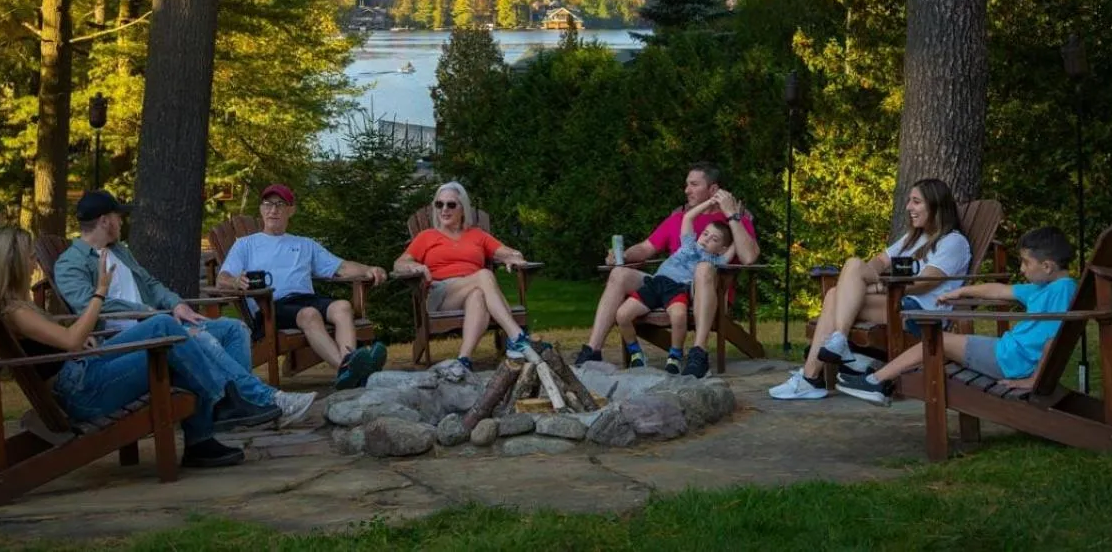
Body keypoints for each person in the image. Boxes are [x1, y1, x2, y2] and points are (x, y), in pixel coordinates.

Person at [0, 225, 278, 469]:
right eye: (28, 255)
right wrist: (100, 292)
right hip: (83, 391)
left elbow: (64, 341)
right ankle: (220, 404)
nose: (33, 261)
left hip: (82, 369)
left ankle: (204, 437)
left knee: (163, 328)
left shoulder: (15, 306)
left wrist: (75, 338)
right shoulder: (16, 312)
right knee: (169, 345)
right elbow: (71, 341)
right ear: (11, 263)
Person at [54, 190, 316, 425]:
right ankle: (267, 399)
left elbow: (151, 284)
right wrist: (150, 314)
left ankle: (238, 407)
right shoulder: (70, 263)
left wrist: (175, 304)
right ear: (104, 221)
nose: (122, 221)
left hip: (157, 323)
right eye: (118, 216)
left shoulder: (120, 252)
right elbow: (90, 306)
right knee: (198, 337)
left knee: (233, 329)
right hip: (119, 343)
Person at [768, 178, 970, 401]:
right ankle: (832, 350)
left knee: (836, 295)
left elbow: (924, 283)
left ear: (935, 205)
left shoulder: (954, 242)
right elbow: (879, 262)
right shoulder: (915, 238)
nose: (908, 208)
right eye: (909, 201)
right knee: (851, 269)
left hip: (920, 314)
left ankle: (812, 376)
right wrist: (864, 278)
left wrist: (876, 286)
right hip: (898, 302)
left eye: (916, 202)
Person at [835, 226, 1077, 406]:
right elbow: (998, 290)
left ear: (1047, 266)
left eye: (1026, 263)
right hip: (1009, 354)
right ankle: (879, 380)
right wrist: (959, 291)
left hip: (1012, 361)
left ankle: (877, 382)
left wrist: (1035, 380)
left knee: (936, 340)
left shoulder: (1061, 290)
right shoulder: (1042, 287)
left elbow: (1052, 340)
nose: (1022, 269)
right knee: (938, 344)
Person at [574, 163, 760, 379]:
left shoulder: (735, 220)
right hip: (664, 286)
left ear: (713, 190)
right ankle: (593, 350)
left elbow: (749, 257)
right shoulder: (679, 219)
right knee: (618, 274)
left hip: (703, 290)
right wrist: (622, 256)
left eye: (693, 184)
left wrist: (732, 216)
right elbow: (645, 248)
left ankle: (698, 353)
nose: (686, 190)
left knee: (703, 268)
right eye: (686, 185)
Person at [214, 183, 390, 390]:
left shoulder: (305, 244)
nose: (273, 210)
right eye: (268, 204)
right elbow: (222, 279)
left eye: (280, 204)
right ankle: (346, 368)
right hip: (271, 307)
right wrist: (235, 281)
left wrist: (369, 269)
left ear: (291, 210)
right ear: (261, 209)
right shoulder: (245, 244)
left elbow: (341, 267)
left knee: (342, 306)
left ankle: (350, 366)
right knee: (310, 315)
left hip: (306, 300)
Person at [391, 181, 538, 381]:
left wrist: (513, 257)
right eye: (439, 204)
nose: (444, 209)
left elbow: (507, 252)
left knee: (478, 295)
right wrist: (414, 266)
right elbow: (399, 263)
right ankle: (517, 337)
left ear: (463, 208)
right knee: (484, 275)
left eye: (451, 205)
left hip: (474, 290)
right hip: (441, 294)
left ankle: (463, 360)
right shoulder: (427, 236)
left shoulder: (477, 235)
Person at [613, 196, 734, 372]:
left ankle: (675, 356)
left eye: (714, 239)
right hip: (656, 283)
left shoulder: (715, 259)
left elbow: (734, 246)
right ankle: (636, 354)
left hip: (677, 289)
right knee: (622, 315)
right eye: (705, 234)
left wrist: (735, 219)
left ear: (721, 248)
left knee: (678, 317)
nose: (706, 239)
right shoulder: (688, 244)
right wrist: (709, 203)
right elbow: (688, 218)